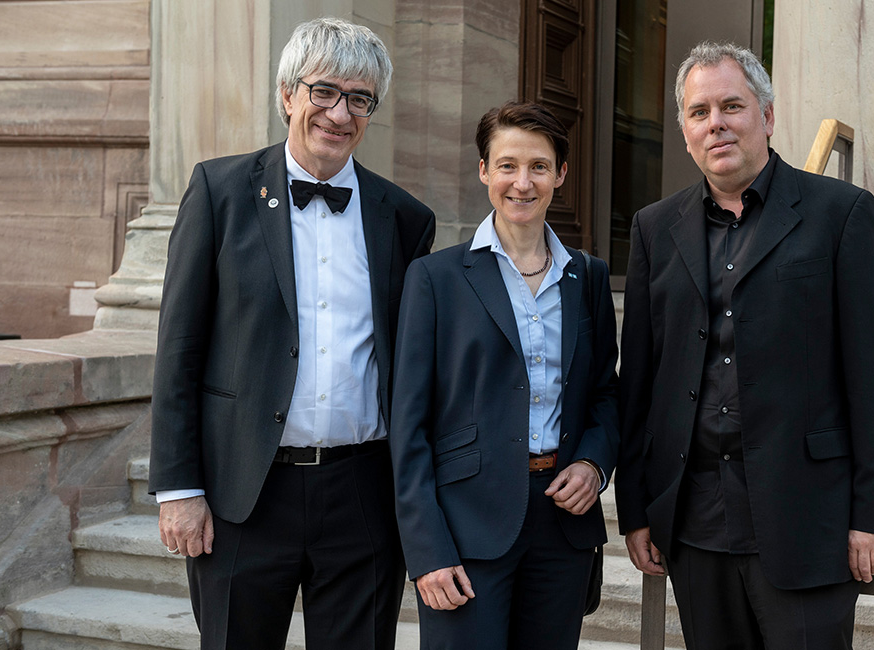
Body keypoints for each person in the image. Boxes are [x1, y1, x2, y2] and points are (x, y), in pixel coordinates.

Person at [148, 17, 435, 650]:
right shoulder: (219, 192)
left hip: (364, 495)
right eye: (324, 91)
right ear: (287, 94)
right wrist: (179, 488)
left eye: (360, 99)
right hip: (243, 495)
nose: (340, 113)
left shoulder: (407, 219)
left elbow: (415, 365)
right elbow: (179, 351)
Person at [614, 41, 874, 649]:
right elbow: (640, 381)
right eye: (699, 112)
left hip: (809, 524)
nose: (716, 123)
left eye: (732, 106)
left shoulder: (841, 214)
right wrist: (636, 507)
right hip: (694, 527)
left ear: (767, 118)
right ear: (687, 132)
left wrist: (872, 516)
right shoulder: (653, 229)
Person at [389, 101, 618, 649]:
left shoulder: (586, 277)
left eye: (539, 166)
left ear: (560, 175)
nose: (523, 182)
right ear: (484, 171)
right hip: (465, 526)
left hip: (562, 524)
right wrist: (427, 552)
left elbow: (607, 395)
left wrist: (593, 462)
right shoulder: (435, 278)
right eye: (508, 165)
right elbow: (408, 426)